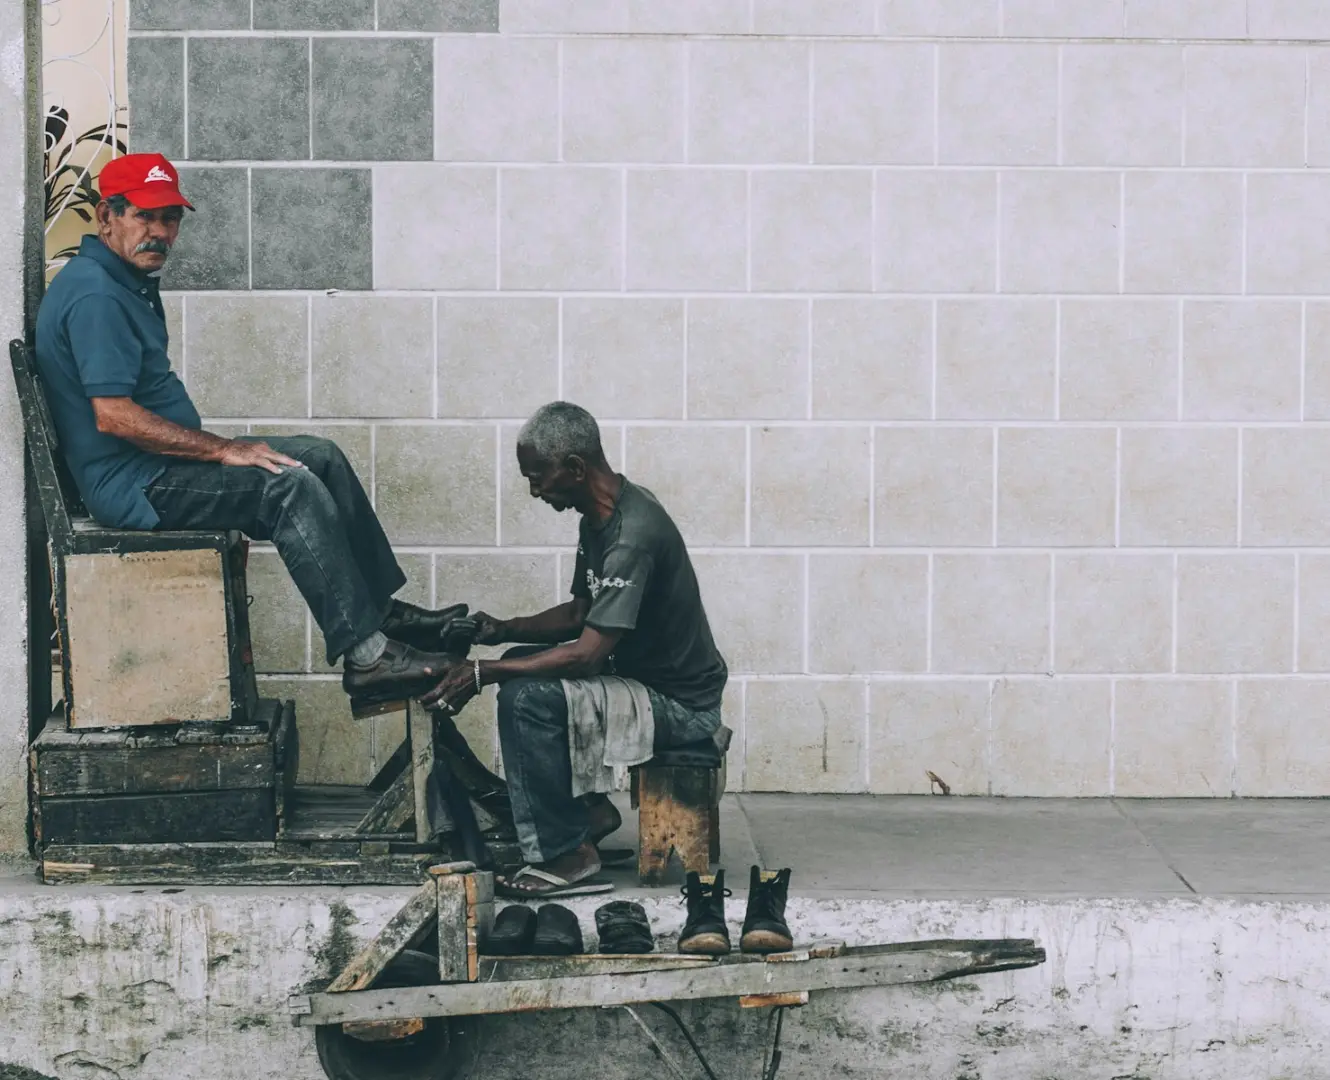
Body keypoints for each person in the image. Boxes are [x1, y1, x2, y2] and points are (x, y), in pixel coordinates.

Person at [34, 152, 463, 717]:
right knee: (287, 486)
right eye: (146, 217)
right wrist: (225, 449)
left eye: (171, 218)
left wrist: (222, 450)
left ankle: (379, 616)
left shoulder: (123, 278)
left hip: (156, 467)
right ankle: (368, 658)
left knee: (319, 457)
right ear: (105, 216)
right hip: (133, 484)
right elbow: (115, 416)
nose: (161, 232)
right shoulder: (97, 295)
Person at [423, 402, 729, 897]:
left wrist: (484, 672)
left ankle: (567, 853)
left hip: (683, 706)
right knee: (523, 663)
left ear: (575, 468)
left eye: (538, 476)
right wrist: (500, 630)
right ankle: (588, 814)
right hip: (641, 681)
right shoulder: (600, 516)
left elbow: (585, 654)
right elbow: (579, 614)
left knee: (525, 698)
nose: (534, 490)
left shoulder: (632, 534)